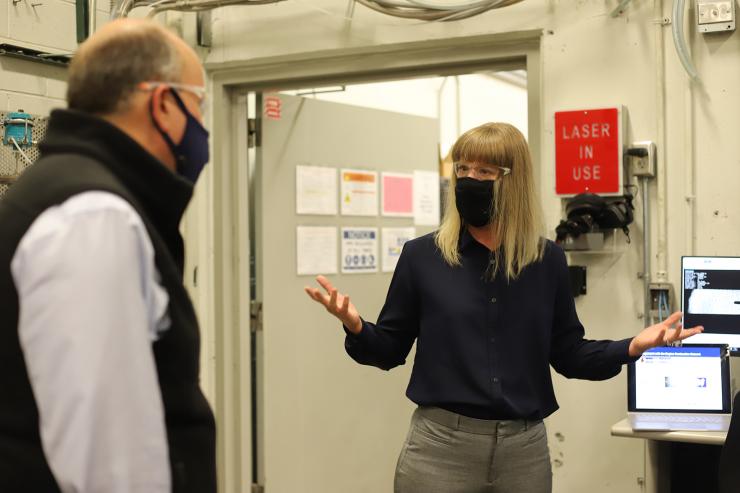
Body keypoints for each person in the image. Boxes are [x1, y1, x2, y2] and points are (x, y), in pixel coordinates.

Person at [305, 122, 703, 493]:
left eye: (484, 172)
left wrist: (631, 347)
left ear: (513, 182)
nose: (469, 180)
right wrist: (357, 327)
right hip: (440, 449)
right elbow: (389, 349)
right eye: (462, 169)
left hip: (523, 452)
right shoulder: (422, 256)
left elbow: (569, 353)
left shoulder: (545, 260)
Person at [0, 19, 215, 493]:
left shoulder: (68, 193)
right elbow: (110, 463)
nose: (202, 130)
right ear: (163, 103)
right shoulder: (94, 216)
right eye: (198, 106)